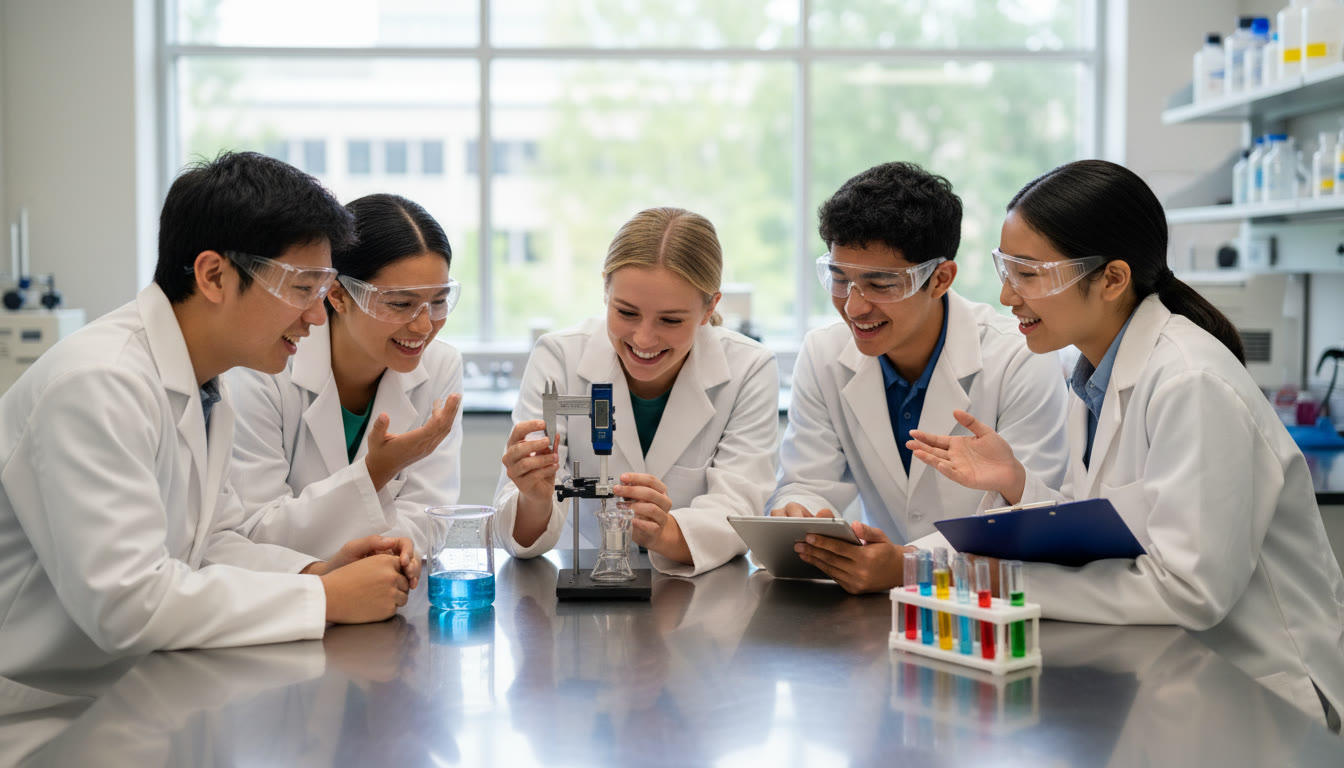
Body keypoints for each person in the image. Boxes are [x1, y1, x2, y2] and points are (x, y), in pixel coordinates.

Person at [906, 159, 1344, 729]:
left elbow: (1189, 590)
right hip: (1180, 679)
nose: (1006, 295)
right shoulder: (1091, 373)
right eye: (1006, 270)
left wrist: (1001, 585)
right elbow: (1113, 528)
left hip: (1268, 695)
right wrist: (1018, 486)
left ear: (1112, 279)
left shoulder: (1191, 381)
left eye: (1029, 274)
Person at [0, 152, 418, 688]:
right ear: (214, 275)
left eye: (322, 289)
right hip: (46, 717)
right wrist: (324, 598)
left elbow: (210, 544)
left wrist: (319, 571)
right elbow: (125, 605)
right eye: (301, 288)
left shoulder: (202, 384)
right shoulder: (98, 384)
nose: (318, 314)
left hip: (135, 690)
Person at [769, 161, 1069, 594]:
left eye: (880, 284)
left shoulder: (1018, 357)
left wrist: (911, 565)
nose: (854, 307)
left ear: (940, 279)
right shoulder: (824, 353)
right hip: (875, 616)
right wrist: (800, 512)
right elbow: (807, 481)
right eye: (839, 279)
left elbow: (1032, 513)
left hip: (988, 607)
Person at [495, 207, 778, 576]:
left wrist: (667, 532)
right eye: (626, 312)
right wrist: (534, 497)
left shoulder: (749, 369)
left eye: (671, 320)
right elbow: (520, 537)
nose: (643, 339)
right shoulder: (559, 357)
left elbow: (739, 508)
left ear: (710, 308)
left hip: (697, 603)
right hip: (577, 598)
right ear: (605, 291)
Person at [227, 193, 463, 558]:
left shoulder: (440, 367)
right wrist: (375, 472)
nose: (423, 326)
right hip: (289, 596)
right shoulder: (265, 368)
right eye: (400, 303)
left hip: (391, 590)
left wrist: (384, 561)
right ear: (337, 295)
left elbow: (428, 516)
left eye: (438, 301)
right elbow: (257, 527)